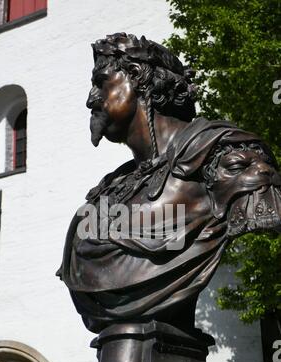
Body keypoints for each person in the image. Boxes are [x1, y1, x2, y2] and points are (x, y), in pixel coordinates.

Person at [58, 33, 281, 334]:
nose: (91, 99)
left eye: (101, 83)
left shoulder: (228, 155)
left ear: (135, 76)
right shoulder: (108, 189)